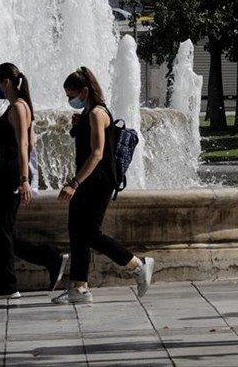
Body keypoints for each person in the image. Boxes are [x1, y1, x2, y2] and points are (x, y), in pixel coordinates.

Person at [53, 66, 154, 305]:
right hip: (88, 180)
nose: (70, 101)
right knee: (76, 231)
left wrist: (74, 183)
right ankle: (79, 287)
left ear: (85, 91)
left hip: (97, 181)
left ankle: (137, 265)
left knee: (89, 232)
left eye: (72, 96)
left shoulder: (97, 113)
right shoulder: (89, 112)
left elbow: (97, 154)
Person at [0, 62, 70, 300]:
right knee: (3, 229)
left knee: (0, 229)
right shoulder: (18, 107)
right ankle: (49, 258)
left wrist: (23, 179)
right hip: (9, 170)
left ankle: (8, 285)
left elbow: (24, 145)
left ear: (6, 83)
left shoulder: (19, 108)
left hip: (12, 172)